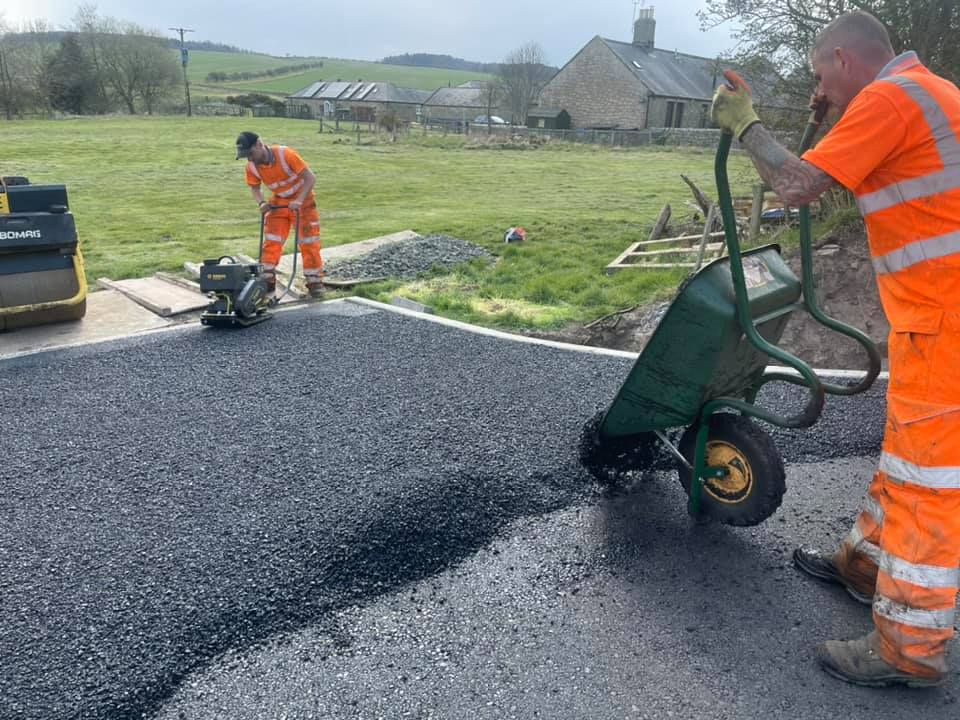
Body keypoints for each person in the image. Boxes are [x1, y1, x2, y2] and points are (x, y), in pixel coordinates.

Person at [711, 10, 960, 688]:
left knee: (934, 484)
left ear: (846, 62)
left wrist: (745, 123)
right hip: (936, 316)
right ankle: (867, 565)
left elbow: (794, 187)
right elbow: (818, 173)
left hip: (948, 320)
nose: (821, 85)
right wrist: (828, 113)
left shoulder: (890, 98)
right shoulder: (927, 92)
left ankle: (908, 651)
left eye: (823, 73)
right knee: (912, 455)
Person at [235, 131, 324, 297]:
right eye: (246, 156)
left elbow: (310, 178)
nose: (250, 159)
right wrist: (261, 203)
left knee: (308, 241)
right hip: (279, 202)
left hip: (303, 202)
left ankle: (314, 282)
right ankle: (267, 279)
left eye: (251, 154)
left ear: (259, 145)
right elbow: (255, 188)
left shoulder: (286, 155)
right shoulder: (252, 166)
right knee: (272, 240)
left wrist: (299, 200)